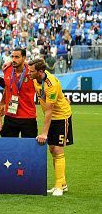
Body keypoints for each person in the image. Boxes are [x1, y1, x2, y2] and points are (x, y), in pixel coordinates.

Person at [28, 58, 73, 197]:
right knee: (53, 149)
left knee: (58, 149)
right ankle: (62, 183)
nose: (29, 73)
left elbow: (49, 111)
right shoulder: (36, 78)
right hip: (52, 118)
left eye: (31, 71)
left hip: (61, 117)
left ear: (40, 72)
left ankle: (59, 186)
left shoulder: (50, 84)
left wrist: (44, 134)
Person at [0, 48, 38, 138]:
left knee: (29, 149)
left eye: (17, 57)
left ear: (24, 58)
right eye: (12, 57)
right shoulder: (7, 69)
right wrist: (2, 103)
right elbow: (7, 87)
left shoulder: (32, 71)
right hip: (10, 115)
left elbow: (45, 85)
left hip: (28, 117)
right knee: (8, 147)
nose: (13, 59)